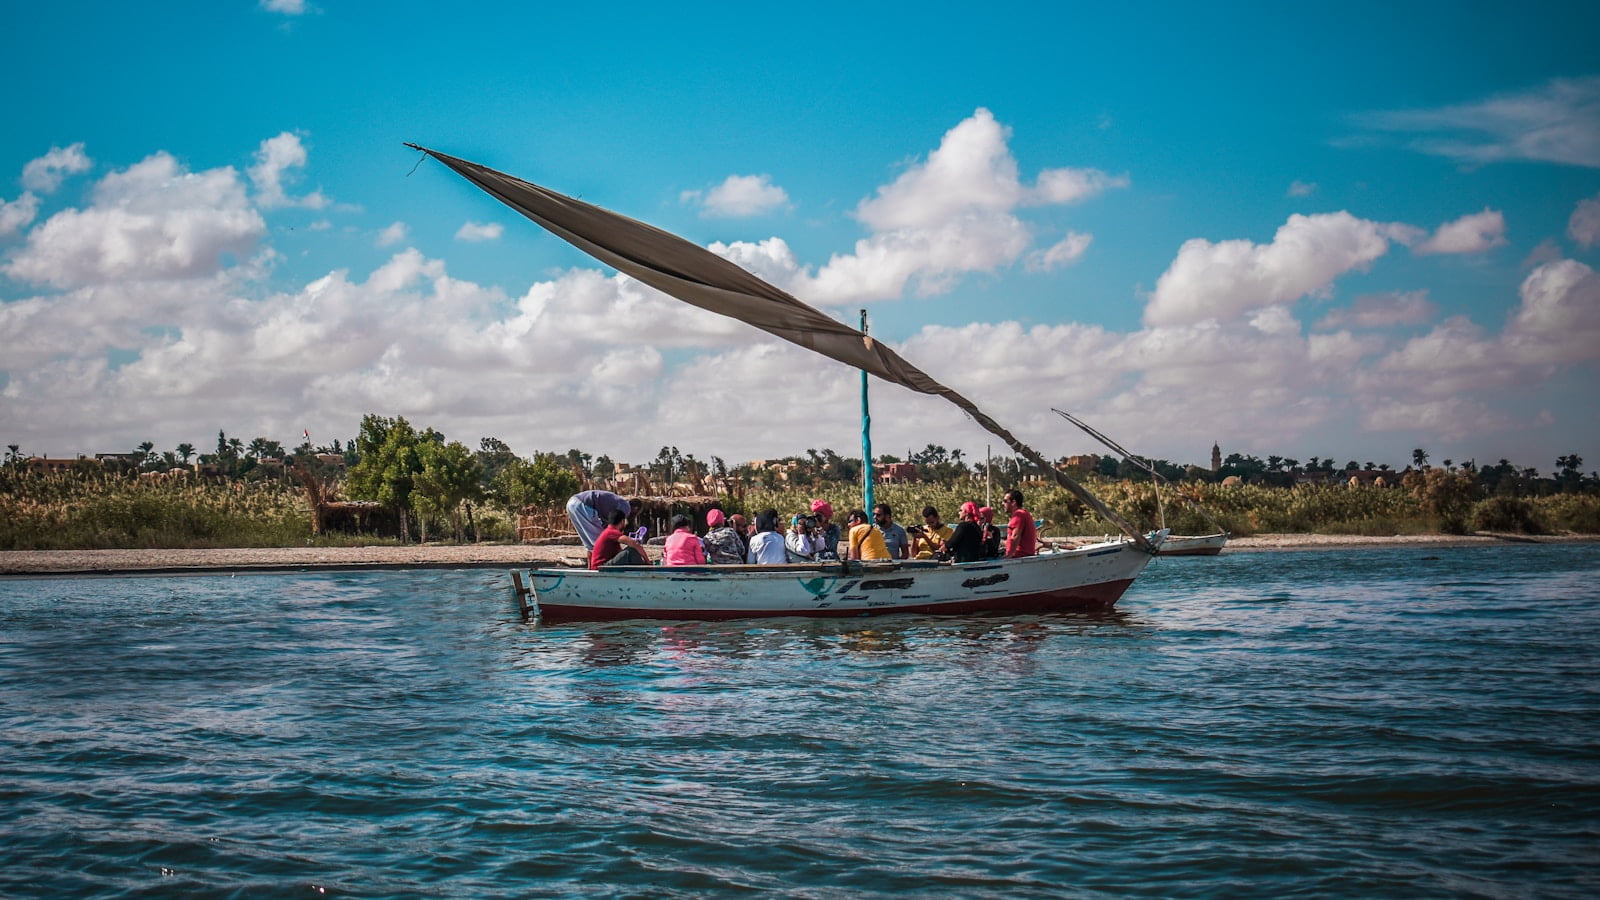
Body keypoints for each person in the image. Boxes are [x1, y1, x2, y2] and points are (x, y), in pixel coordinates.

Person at [566, 489, 632, 551]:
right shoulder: (626, 507)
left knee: (589, 545)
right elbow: (614, 523)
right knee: (600, 541)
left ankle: (593, 562)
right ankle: (606, 561)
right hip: (584, 505)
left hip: (572, 503)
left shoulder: (614, 504)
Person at [1003, 488, 1038, 558]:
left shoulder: (1019, 515)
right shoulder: (1024, 513)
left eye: (1005, 501)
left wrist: (1008, 556)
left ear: (1013, 502)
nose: (1002, 503)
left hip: (1018, 557)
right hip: (1024, 557)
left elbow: (1015, 537)